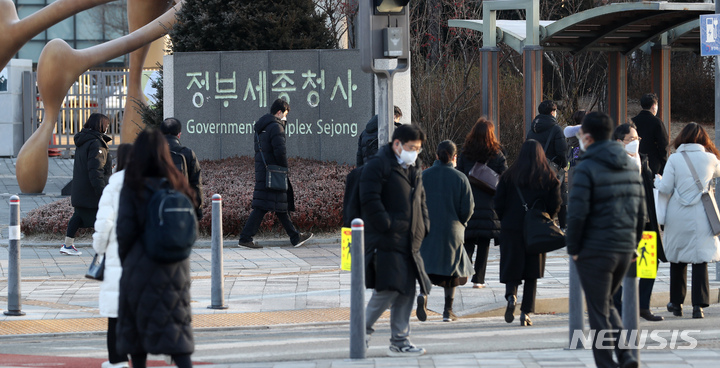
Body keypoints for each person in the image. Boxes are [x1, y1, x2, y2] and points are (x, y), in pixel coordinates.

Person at [567, 112, 645, 368]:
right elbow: (639, 210)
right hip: (624, 248)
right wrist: (633, 245)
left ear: (587, 138)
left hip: (596, 249)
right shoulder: (630, 165)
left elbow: (577, 213)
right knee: (607, 303)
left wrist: (574, 248)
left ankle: (607, 363)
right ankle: (625, 356)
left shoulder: (585, 167)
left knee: (598, 310)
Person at [115, 129, 197, 368]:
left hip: (139, 270)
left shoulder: (133, 186)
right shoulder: (178, 182)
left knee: (137, 342)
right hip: (176, 269)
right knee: (177, 337)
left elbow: (124, 232)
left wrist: (128, 262)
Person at [361, 124, 431, 357]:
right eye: (412, 147)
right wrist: (386, 224)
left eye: (418, 149)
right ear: (397, 144)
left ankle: (400, 341)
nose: (415, 152)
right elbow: (369, 198)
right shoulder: (378, 165)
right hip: (387, 240)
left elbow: (420, 199)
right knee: (388, 289)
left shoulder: (414, 167)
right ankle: (361, 330)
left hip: (410, 240)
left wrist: (424, 225)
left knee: (407, 290)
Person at [655, 122, 720, 319]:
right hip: (701, 214)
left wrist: (657, 180)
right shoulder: (710, 159)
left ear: (681, 137)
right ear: (703, 139)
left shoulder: (675, 159)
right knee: (700, 259)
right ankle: (698, 306)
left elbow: (666, 188)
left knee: (678, 259)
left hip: (678, 214)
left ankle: (676, 304)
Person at [495, 140, 561, 327]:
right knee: (531, 272)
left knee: (512, 265)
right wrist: (545, 217)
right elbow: (555, 205)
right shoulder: (549, 176)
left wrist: (505, 219)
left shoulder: (509, 176)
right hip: (536, 229)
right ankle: (525, 312)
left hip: (511, 227)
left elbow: (498, 203)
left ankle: (511, 296)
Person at [237, 99, 313, 249]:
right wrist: (285, 169)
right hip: (274, 173)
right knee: (267, 207)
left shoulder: (261, 127)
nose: (286, 118)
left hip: (264, 172)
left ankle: (294, 237)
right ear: (279, 112)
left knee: (277, 207)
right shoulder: (276, 127)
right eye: (285, 114)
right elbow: (280, 152)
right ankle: (246, 238)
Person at [611, 123, 665, 322]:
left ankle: (643, 306)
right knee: (622, 266)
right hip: (624, 222)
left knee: (649, 265)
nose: (635, 143)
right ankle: (617, 305)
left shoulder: (643, 160)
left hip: (646, 219)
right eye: (631, 140)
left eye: (637, 139)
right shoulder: (613, 163)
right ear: (619, 142)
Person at [420, 140, 474, 322]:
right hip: (453, 231)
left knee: (427, 266)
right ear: (454, 157)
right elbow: (468, 208)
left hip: (427, 229)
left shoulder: (423, 176)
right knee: (452, 272)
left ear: (436, 155)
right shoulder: (460, 178)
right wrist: (461, 223)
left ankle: (423, 296)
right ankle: (447, 311)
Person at [92, 143, 132, 368]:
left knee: (115, 315)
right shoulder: (149, 184)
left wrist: (99, 248)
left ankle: (117, 360)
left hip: (118, 255)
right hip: (143, 258)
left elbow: (104, 223)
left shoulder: (114, 185)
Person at [456, 117, 507, 288]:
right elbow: (504, 177)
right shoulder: (497, 154)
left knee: (468, 240)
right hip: (489, 205)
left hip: (468, 201)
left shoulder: (465, 153)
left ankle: (463, 271)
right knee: (484, 244)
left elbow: (460, 176)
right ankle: (479, 280)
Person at [60, 113, 113, 256]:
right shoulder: (96, 144)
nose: (107, 128)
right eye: (106, 125)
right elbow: (96, 170)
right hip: (92, 189)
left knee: (78, 217)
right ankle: (106, 247)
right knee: (105, 217)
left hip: (82, 188)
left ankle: (68, 245)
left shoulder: (84, 140)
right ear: (101, 125)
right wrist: (102, 190)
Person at [527, 100, 568, 229]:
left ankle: (540, 224)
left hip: (535, 168)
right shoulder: (555, 128)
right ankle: (563, 226)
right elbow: (562, 150)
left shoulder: (532, 128)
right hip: (552, 169)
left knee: (539, 197)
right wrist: (563, 164)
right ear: (552, 112)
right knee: (560, 197)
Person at [160, 117, 204, 219]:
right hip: (182, 208)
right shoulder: (187, 153)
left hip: (158, 209)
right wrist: (198, 211)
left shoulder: (152, 153)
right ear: (179, 134)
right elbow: (196, 184)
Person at [631, 93, 669, 175]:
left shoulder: (633, 121)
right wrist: (664, 162)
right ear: (654, 106)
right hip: (654, 164)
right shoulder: (657, 122)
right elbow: (663, 145)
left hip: (635, 163)